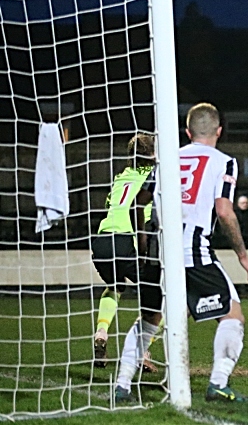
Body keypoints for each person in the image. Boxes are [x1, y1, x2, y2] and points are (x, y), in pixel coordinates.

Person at [114, 102, 248, 403]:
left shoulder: (166, 159)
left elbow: (139, 202)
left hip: (158, 251)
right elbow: (225, 211)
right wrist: (243, 255)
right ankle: (218, 384)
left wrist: (143, 246)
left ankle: (123, 384)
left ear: (187, 132)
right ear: (219, 131)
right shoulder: (224, 162)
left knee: (149, 320)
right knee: (233, 315)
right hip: (194, 251)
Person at [91, 133, 155, 369]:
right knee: (162, 296)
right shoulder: (155, 177)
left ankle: (101, 333)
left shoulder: (121, 177)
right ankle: (143, 351)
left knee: (115, 287)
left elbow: (111, 204)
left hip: (102, 240)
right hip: (129, 241)